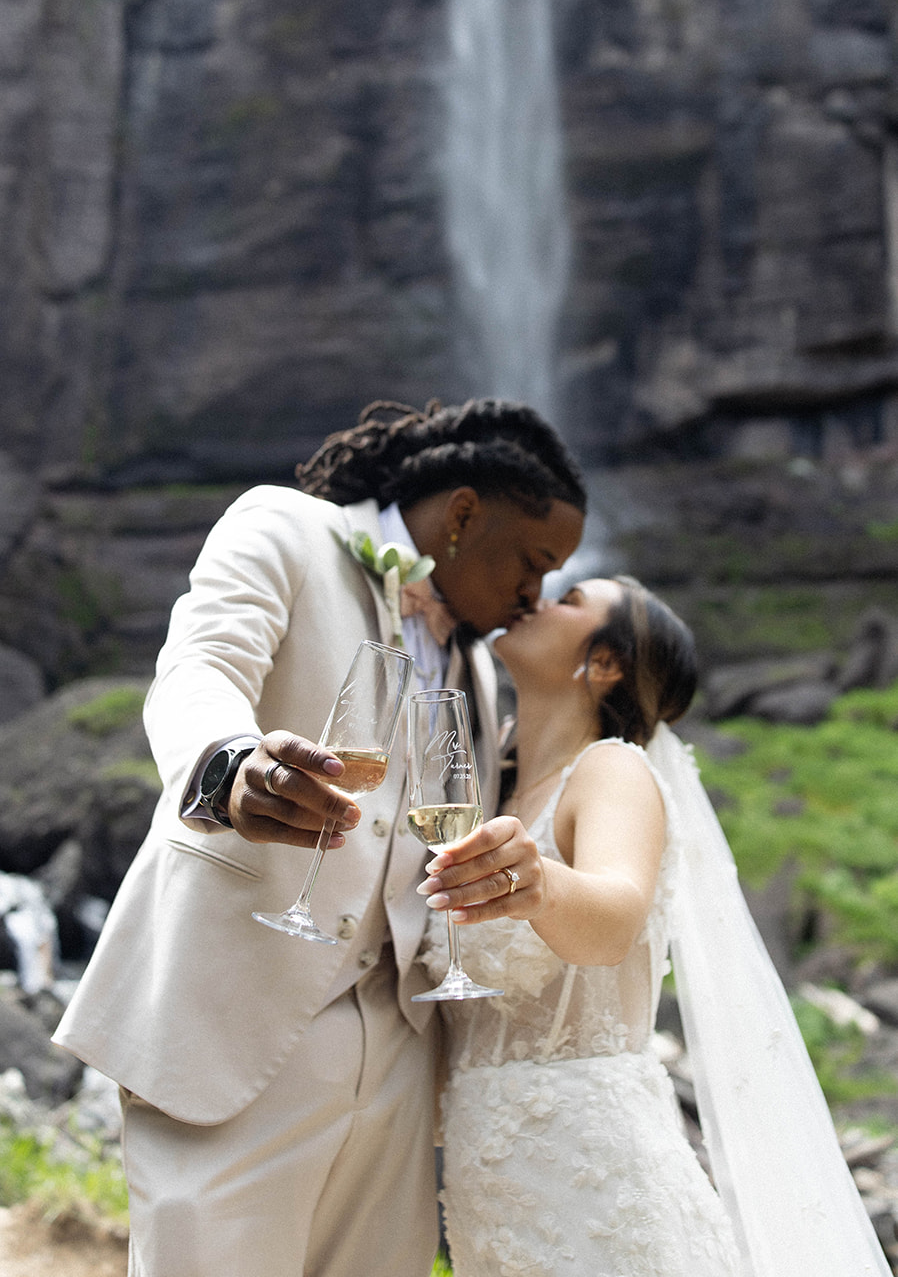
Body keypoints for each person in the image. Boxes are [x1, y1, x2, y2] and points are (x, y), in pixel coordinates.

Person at [53, 399, 586, 1277]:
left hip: (401, 1059)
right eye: (535, 562)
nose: (536, 595)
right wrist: (229, 767)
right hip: (230, 1023)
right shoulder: (285, 527)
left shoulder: (483, 677)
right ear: (461, 515)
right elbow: (200, 666)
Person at [418, 576, 892, 1277]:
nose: (536, 598)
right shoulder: (488, 784)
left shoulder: (611, 770)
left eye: (570, 599)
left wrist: (539, 881)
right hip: (491, 1186)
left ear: (604, 664)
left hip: (593, 1177)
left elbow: (613, 918)